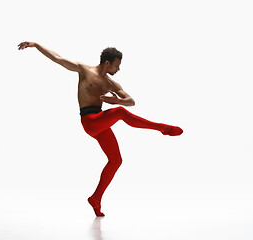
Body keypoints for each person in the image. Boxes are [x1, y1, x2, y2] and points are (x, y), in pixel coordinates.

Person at [18, 42, 183, 217]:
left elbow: (131, 101)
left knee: (116, 160)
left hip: (100, 122)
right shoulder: (84, 69)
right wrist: (35, 45)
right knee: (120, 113)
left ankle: (95, 199)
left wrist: (117, 100)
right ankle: (163, 128)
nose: (118, 69)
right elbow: (57, 58)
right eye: (117, 65)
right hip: (89, 121)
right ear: (107, 63)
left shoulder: (111, 84)